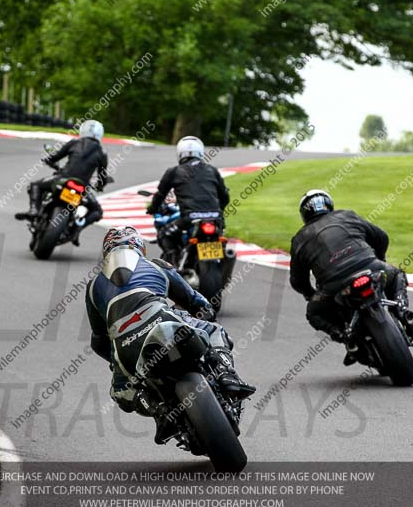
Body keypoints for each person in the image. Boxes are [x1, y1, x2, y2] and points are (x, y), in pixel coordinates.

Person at [86, 226, 255, 443]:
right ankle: (225, 375)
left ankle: (160, 412)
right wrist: (206, 314)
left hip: (125, 348)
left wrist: (116, 362)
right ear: (140, 246)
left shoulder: (92, 287)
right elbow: (196, 301)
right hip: (163, 320)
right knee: (214, 330)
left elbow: (98, 340)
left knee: (121, 393)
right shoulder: (156, 265)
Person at [289, 189, 413, 364]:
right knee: (396, 274)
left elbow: (297, 280)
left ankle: (346, 337)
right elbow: (381, 237)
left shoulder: (299, 239)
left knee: (313, 312)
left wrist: (310, 294)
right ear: (329, 205)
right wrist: (380, 259)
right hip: (369, 267)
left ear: (304, 215)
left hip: (334, 285)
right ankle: (403, 311)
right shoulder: (347, 215)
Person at [15, 120, 109, 245]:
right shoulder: (102, 153)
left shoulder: (74, 143)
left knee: (35, 185)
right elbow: (102, 177)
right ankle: (77, 228)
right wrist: (100, 186)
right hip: (82, 187)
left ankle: (34, 210)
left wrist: (49, 159)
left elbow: (54, 157)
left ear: (83, 130)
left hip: (62, 180)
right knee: (97, 211)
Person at [146, 136, 229, 262]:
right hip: (215, 218)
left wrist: (153, 209)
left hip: (189, 218)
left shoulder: (174, 171)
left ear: (180, 153)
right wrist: (219, 211)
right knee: (221, 239)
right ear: (200, 152)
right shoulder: (212, 170)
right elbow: (224, 197)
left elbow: (160, 194)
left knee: (164, 234)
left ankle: (172, 266)